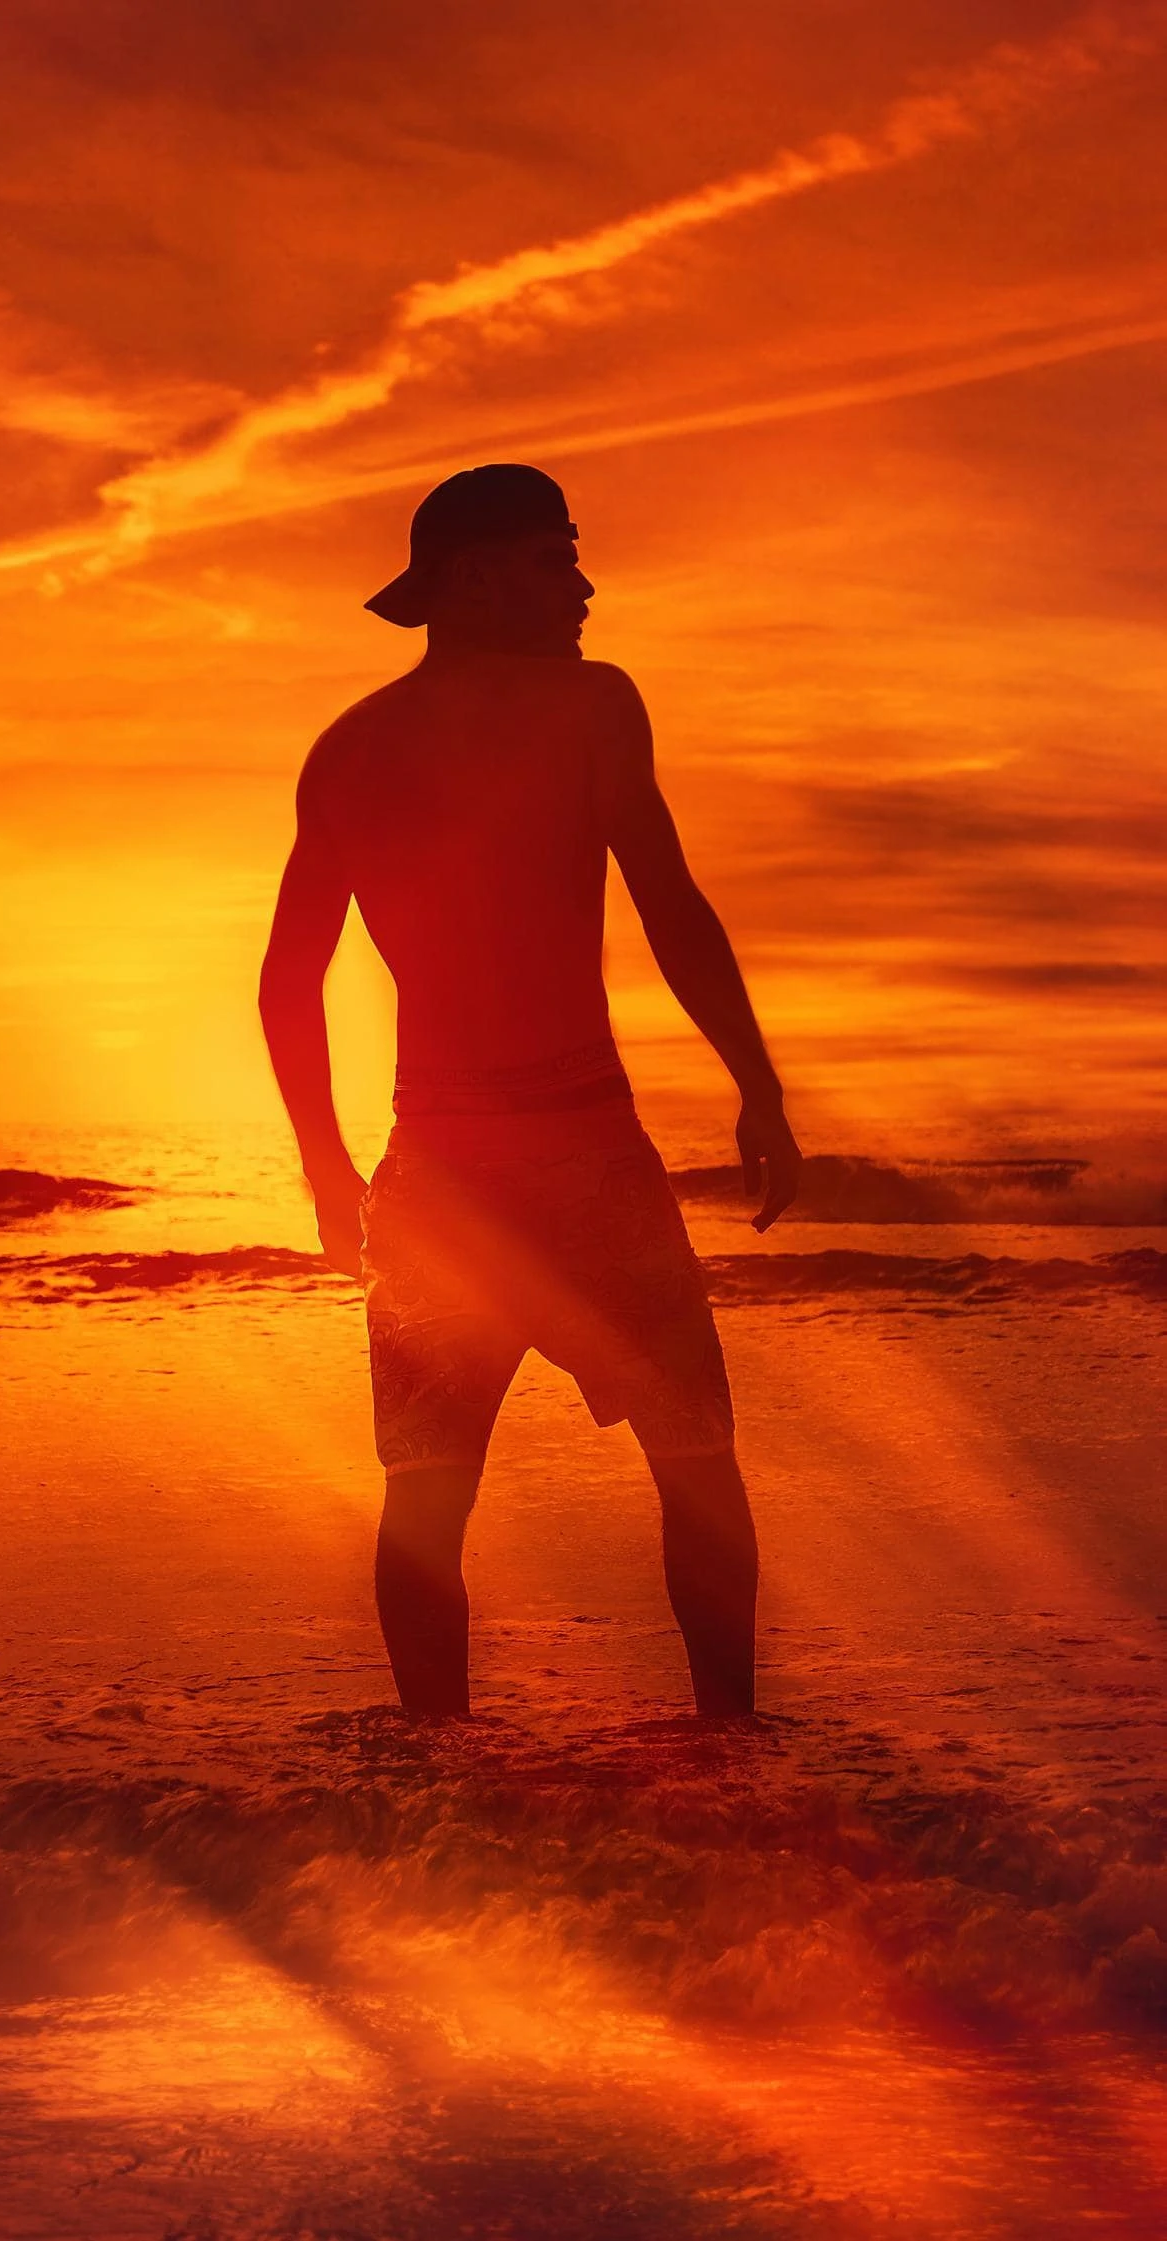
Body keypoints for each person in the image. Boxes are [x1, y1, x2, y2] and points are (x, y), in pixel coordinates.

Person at [259, 464, 801, 1722]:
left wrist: (331, 1171)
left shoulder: (349, 749)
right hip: (581, 1156)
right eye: (560, 556)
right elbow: (669, 903)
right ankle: (730, 1749)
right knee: (696, 1464)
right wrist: (757, 1088)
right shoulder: (591, 708)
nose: (585, 584)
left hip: (431, 1175)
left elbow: (288, 986)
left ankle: (434, 1768)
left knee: (430, 1488)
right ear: (476, 575)